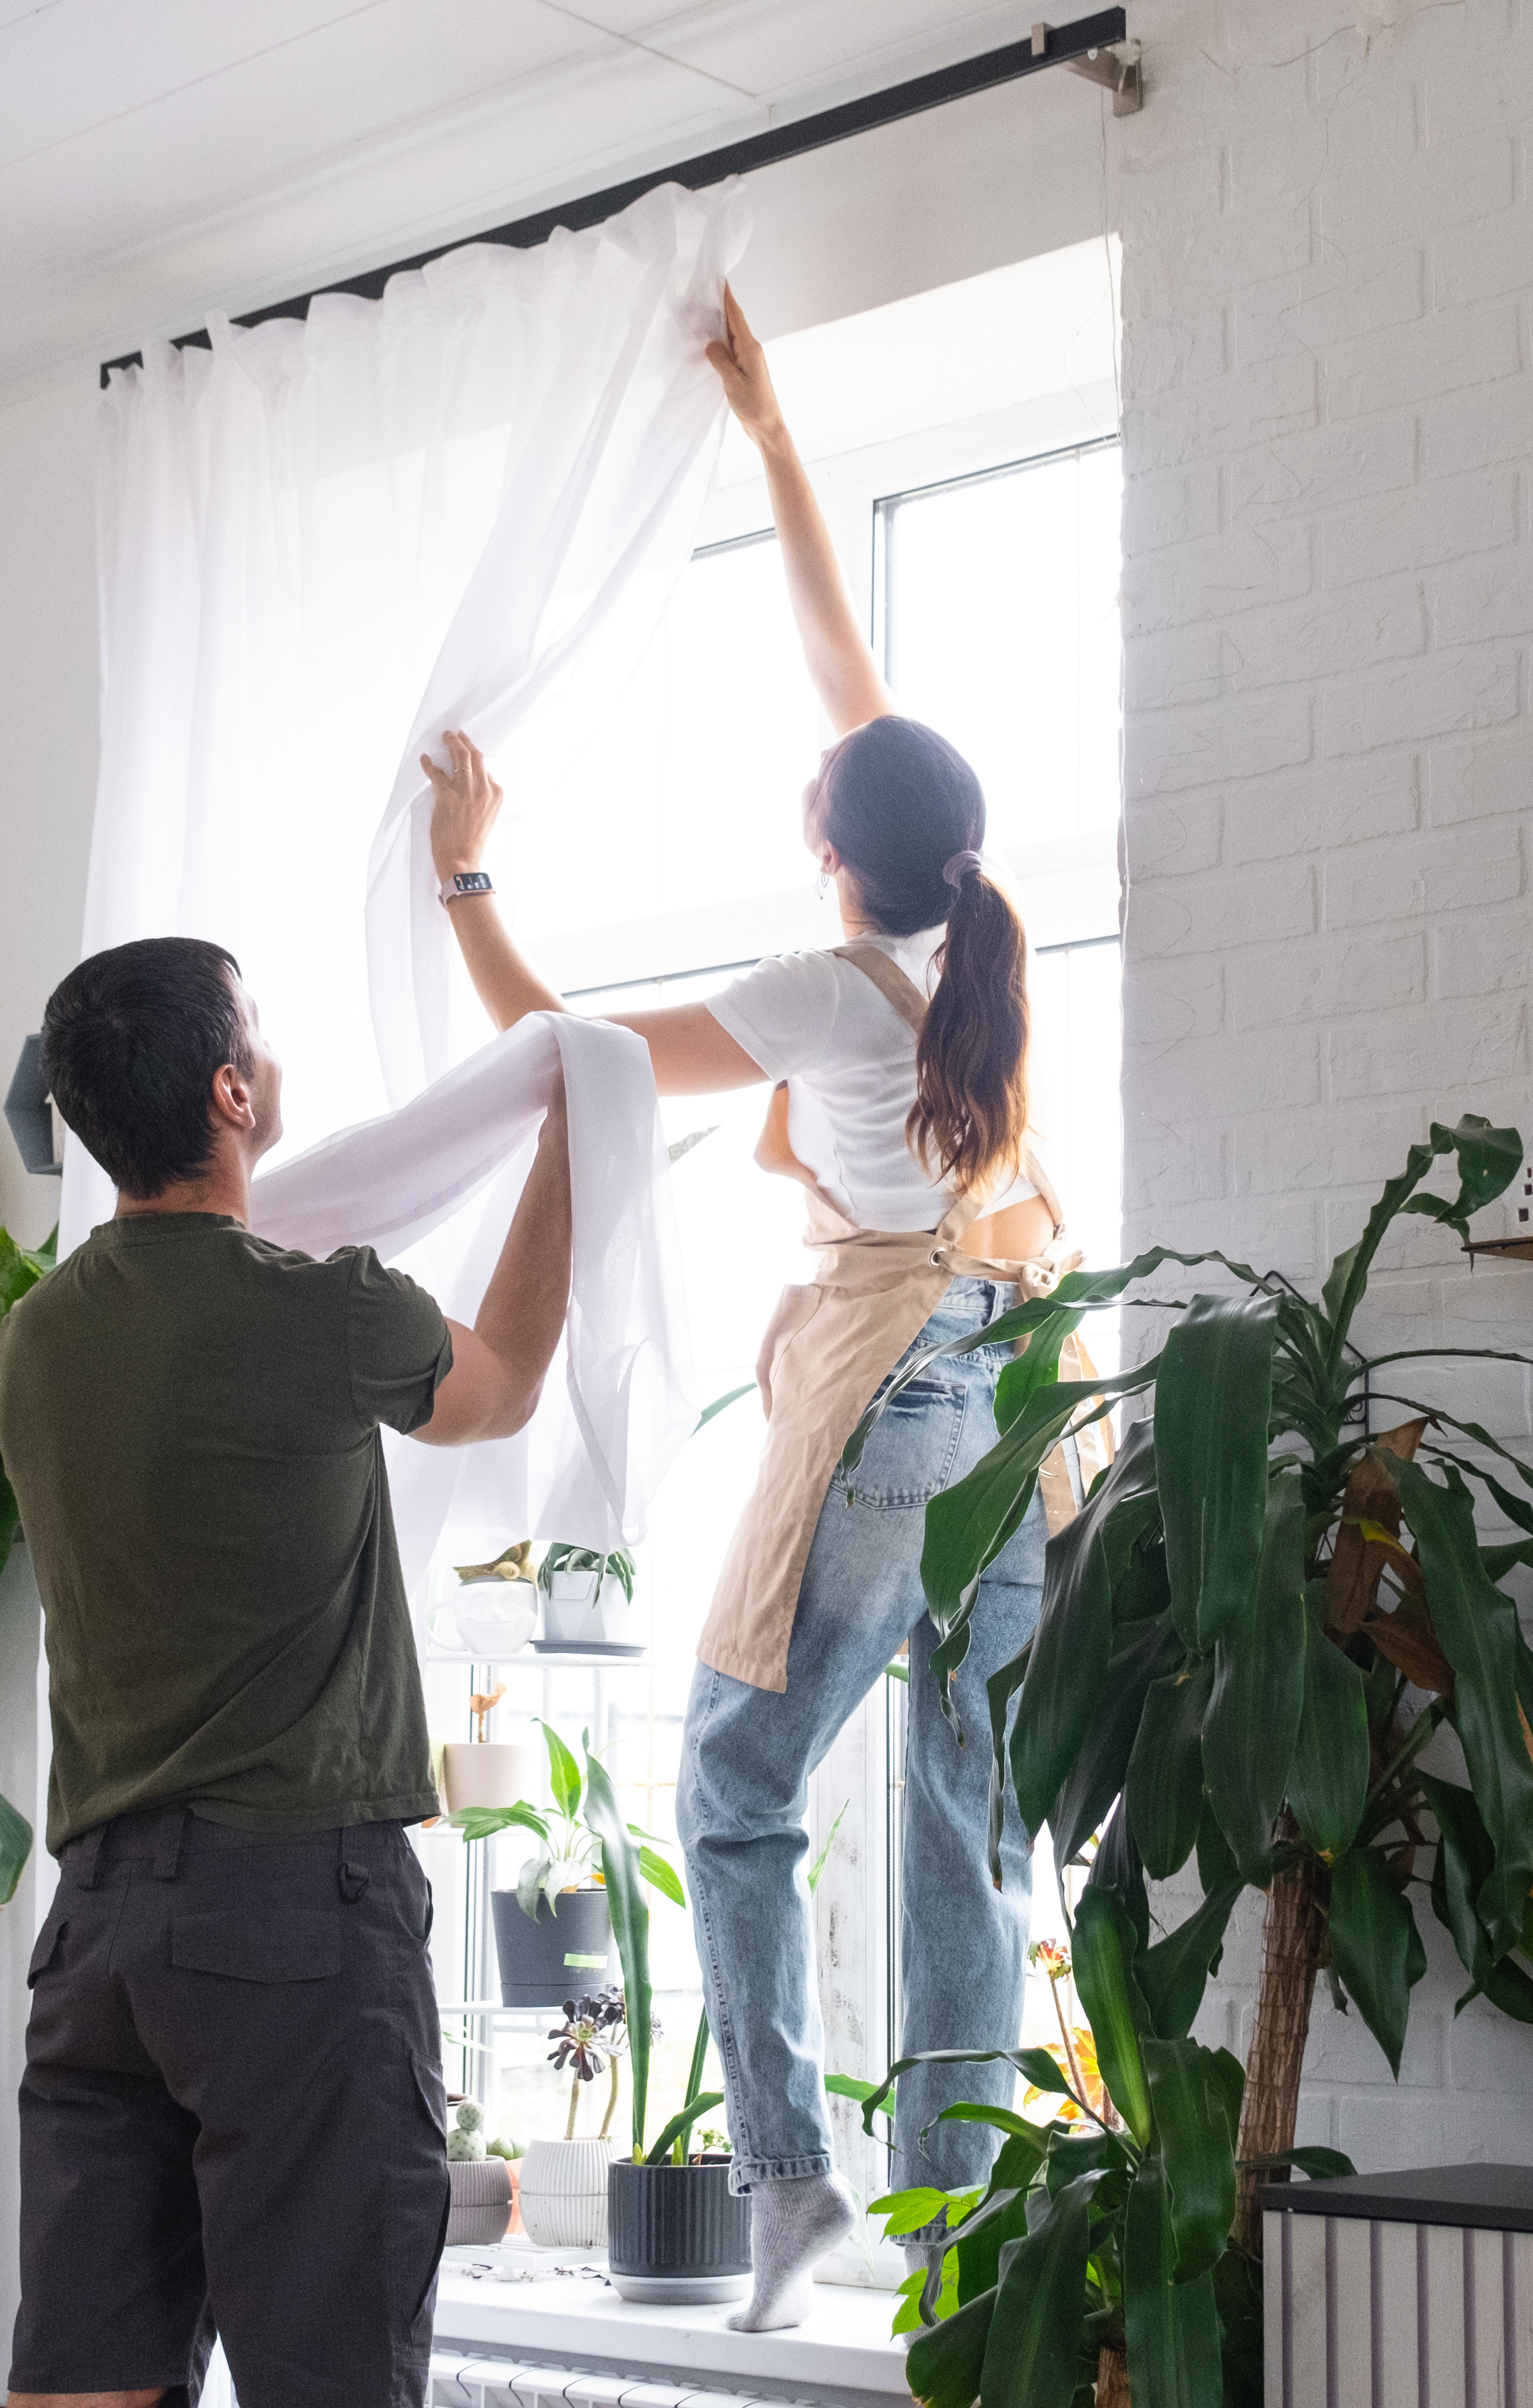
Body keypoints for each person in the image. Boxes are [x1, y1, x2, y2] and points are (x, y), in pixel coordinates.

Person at [421, 284, 1067, 2333]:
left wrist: (463, 883)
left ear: (825, 844)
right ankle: (964, 2247)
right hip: (1028, 1401)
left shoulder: (821, 993)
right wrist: (768, 426)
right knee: (961, 1822)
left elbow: (567, 1054)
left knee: (734, 1784)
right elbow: (846, 678)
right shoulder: (971, 919)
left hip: (886, 1395)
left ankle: (789, 2189)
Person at [0, 936, 573, 2408]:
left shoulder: (31, 1343)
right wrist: (575, 1138)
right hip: (289, 1931)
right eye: (259, 1036)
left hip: (100, 1938)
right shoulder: (324, 1310)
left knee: (83, 2391)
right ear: (230, 1089)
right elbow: (501, 1381)